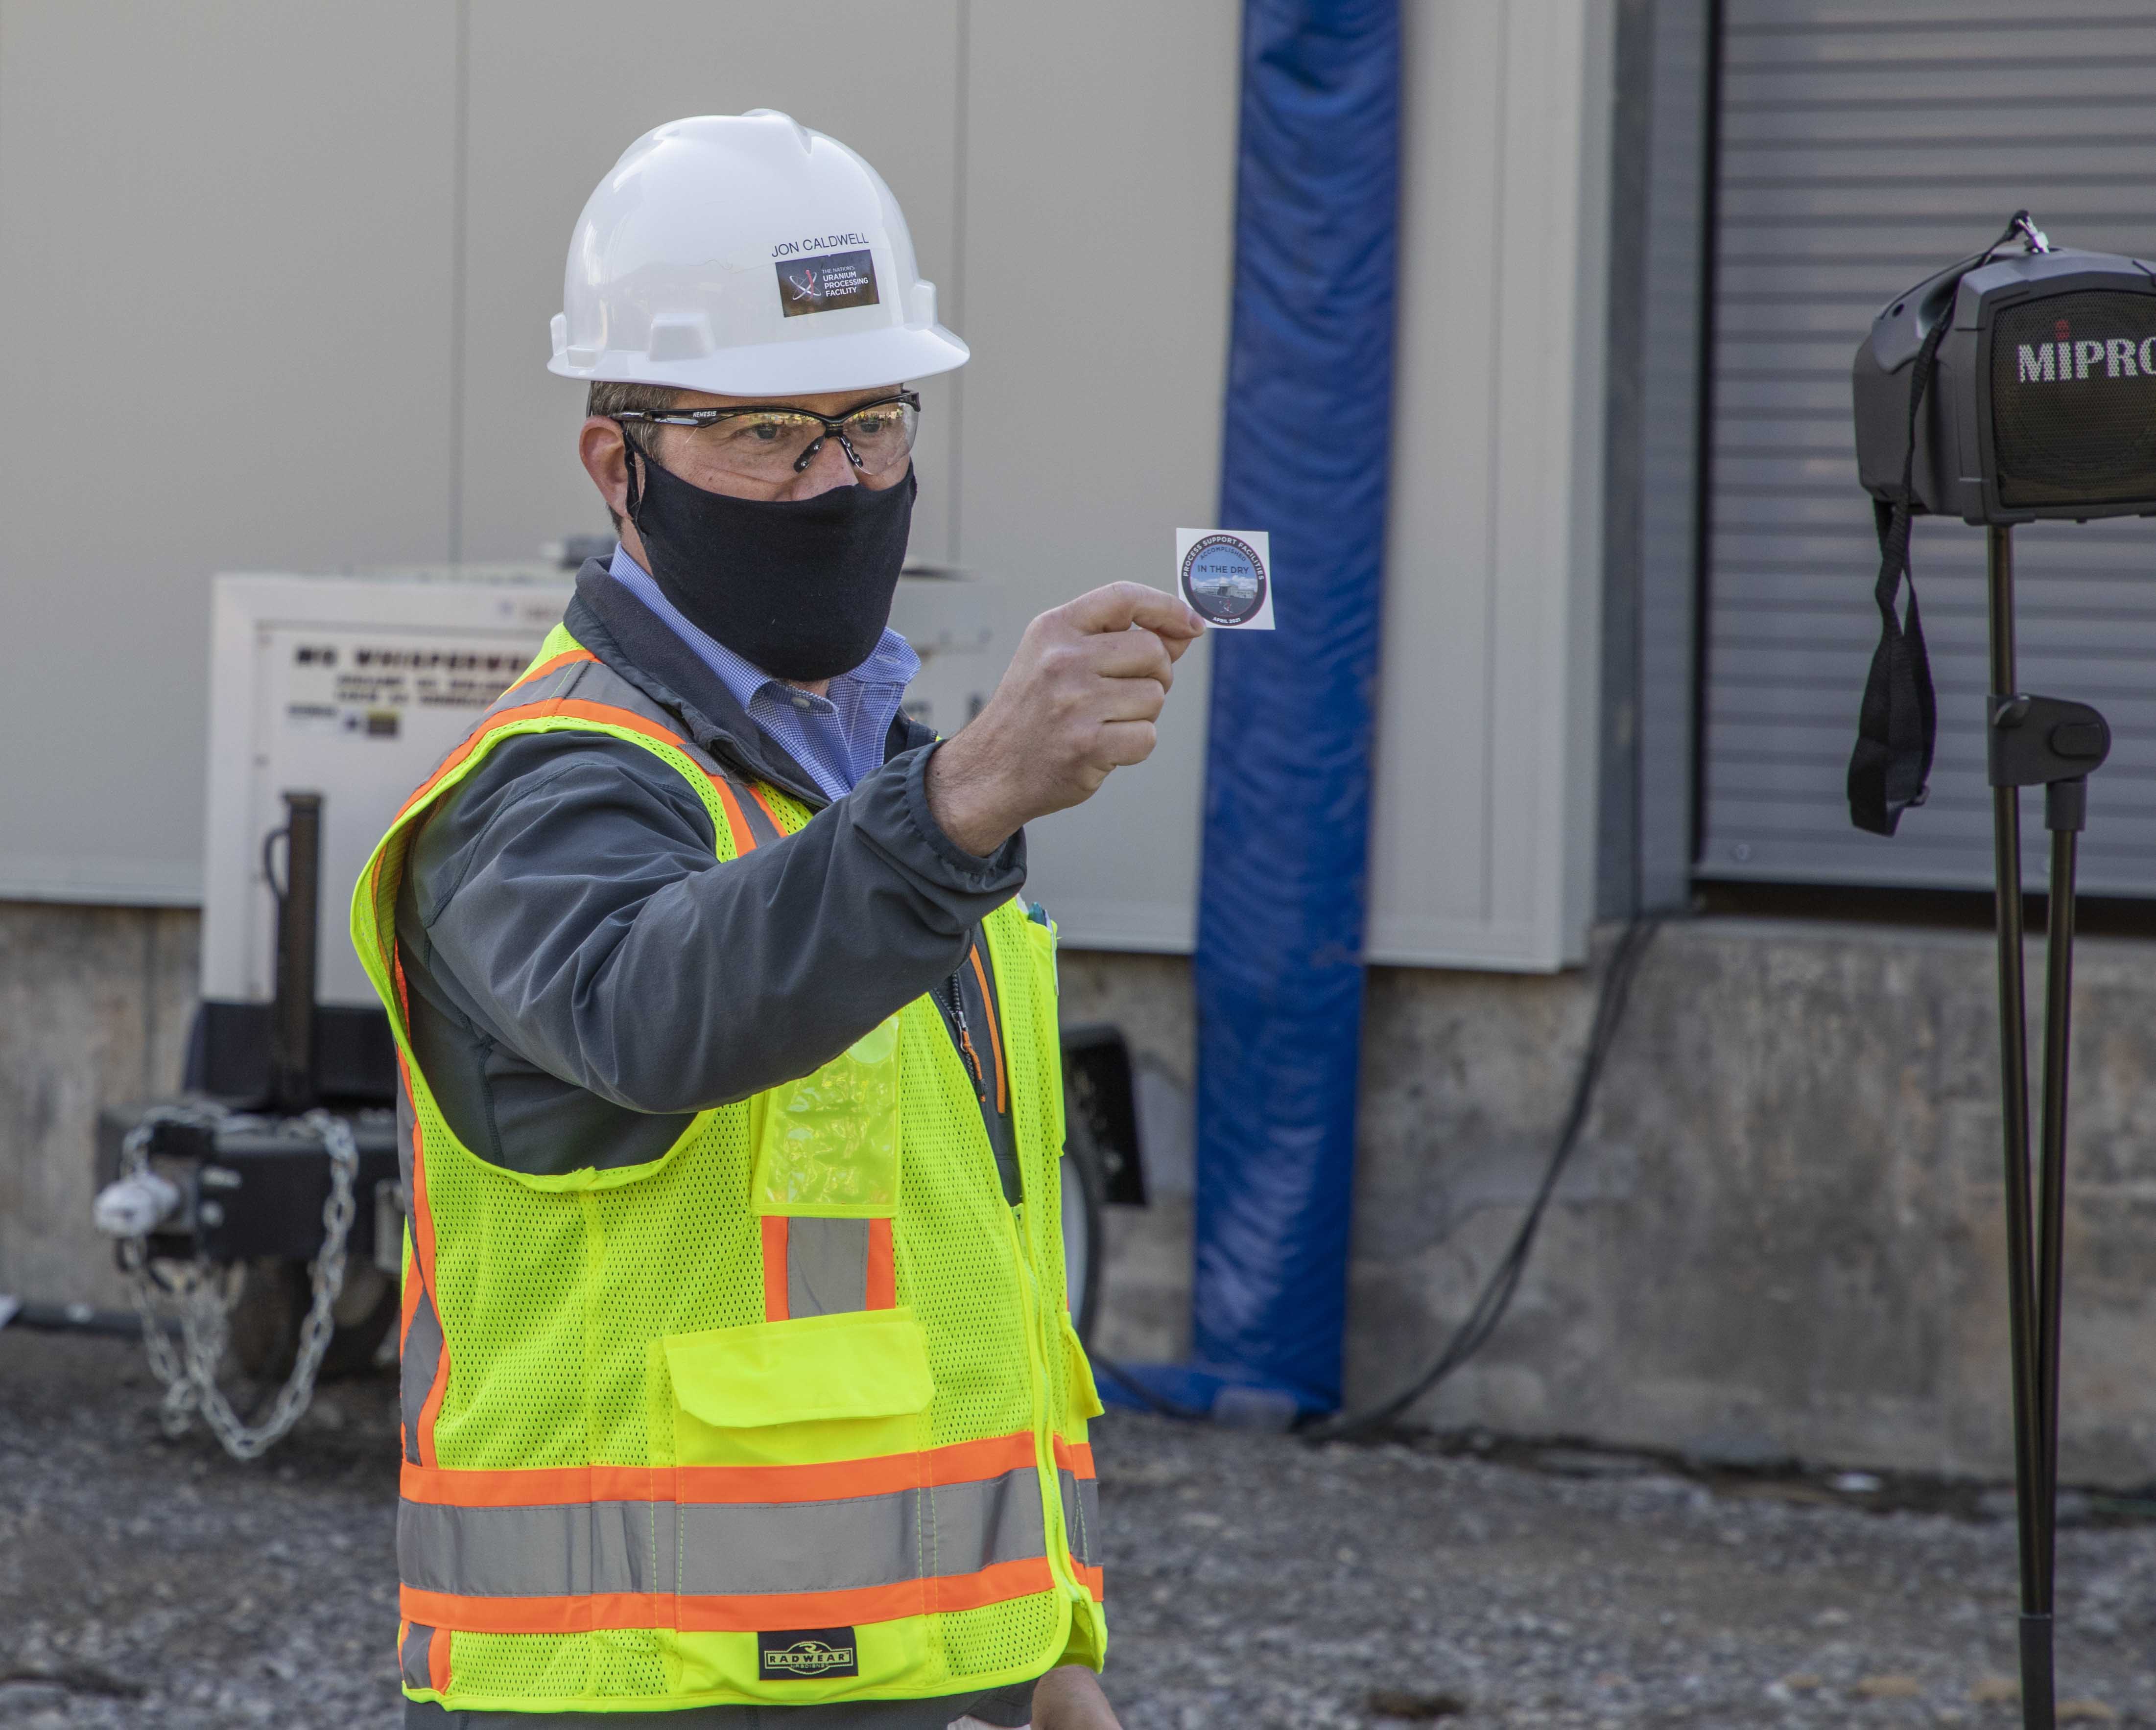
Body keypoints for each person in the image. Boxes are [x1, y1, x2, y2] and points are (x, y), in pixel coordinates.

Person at [351, 112, 1202, 1730]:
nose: (836, 482)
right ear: (620, 464)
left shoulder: (859, 777)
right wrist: (954, 803)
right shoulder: (545, 785)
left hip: (926, 1668)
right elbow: (653, 1010)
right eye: (764, 433)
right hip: (636, 1681)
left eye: (873, 423)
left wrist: (1047, 1651)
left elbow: (975, 1274)